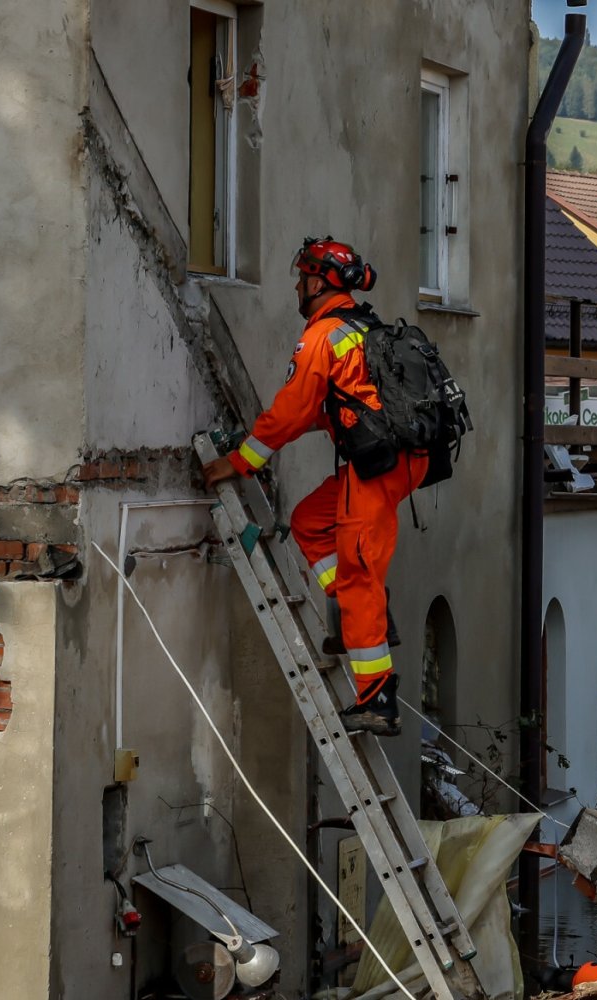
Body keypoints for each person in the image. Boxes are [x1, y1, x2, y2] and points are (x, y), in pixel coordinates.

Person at [202, 237, 427, 736]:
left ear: (320, 282)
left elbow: (295, 408)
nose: (296, 287)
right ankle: (362, 614)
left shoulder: (323, 336)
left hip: (375, 468)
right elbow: (331, 408)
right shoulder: (363, 326)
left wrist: (239, 461)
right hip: (399, 463)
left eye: (302, 277)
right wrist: (264, 438)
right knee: (309, 523)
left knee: (360, 573)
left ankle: (377, 699)